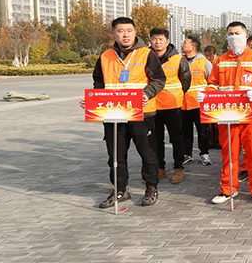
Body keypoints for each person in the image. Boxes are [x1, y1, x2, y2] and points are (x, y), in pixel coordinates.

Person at [90, 17, 165, 208]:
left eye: (129, 31)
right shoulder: (105, 56)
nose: (125, 35)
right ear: (113, 33)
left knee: (148, 154)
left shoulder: (146, 54)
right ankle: (120, 189)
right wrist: (95, 101)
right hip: (114, 114)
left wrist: (147, 93)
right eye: (121, 31)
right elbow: (99, 83)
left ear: (135, 33)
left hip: (142, 114)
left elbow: (158, 80)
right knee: (116, 156)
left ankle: (151, 187)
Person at [200, 22, 252, 205]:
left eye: (237, 33)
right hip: (227, 116)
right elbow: (213, 84)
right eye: (230, 34)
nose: (234, 37)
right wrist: (205, 94)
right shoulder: (221, 60)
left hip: (251, 115)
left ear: (245, 36)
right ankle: (228, 189)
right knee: (229, 154)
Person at [149, 28, 191, 185]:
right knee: (155, 140)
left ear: (167, 42)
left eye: (161, 39)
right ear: (150, 41)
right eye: (154, 39)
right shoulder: (146, 58)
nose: (157, 42)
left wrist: (178, 95)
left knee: (177, 138)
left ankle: (178, 168)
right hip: (152, 105)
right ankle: (160, 168)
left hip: (173, 106)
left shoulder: (178, 60)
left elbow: (186, 81)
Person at [180, 36, 213, 166]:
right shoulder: (179, 61)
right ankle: (187, 154)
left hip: (200, 103)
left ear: (193, 48)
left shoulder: (204, 62)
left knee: (203, 131)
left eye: (185, 43)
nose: (182, 45)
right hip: (183, 103)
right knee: (185, 131)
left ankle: (204, 154)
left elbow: (212, 82)